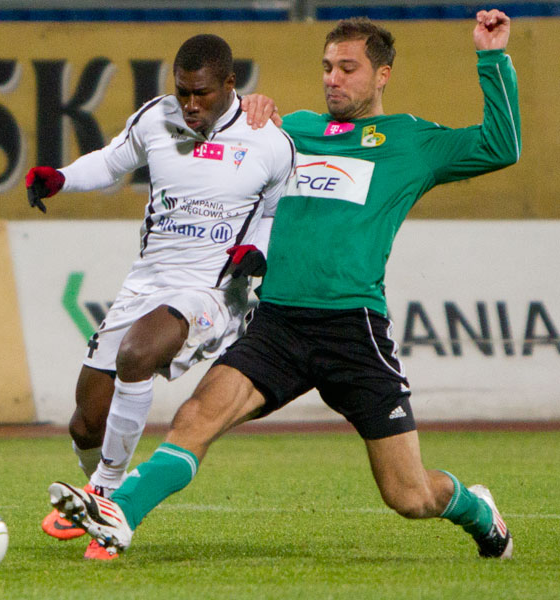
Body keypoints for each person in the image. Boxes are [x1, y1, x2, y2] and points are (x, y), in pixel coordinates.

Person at [48, 10, 520, 560]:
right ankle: (119, 514)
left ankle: (477, 508)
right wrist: (250, 107)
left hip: (352, 329)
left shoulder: (411, 141)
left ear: (382, 75)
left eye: (348, 68)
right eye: (327, 67)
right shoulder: (288, 130)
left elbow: (501, 146)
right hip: (276, 323)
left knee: (409, 496)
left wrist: (492, 58)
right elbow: (227, 135)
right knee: (196, 417)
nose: (332, 79)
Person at [26, 34, 295, 559]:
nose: (190, 104)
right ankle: (98, 488)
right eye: (182, 91)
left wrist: (258, 252)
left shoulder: (268, 140)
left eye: (202, 93)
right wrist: (61, 178)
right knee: (86, 420)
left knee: (138, 353)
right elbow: (110, 161)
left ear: (230, 84)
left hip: (213, 290)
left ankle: (105, 493)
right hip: (146, 282)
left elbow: (277, 213)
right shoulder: (157, 117)